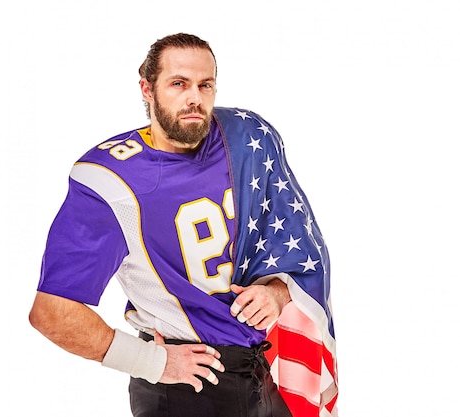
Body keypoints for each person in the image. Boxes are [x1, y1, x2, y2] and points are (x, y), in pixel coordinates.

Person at [29, 33, 338, 417]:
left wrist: (276, 292)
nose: (195, 98)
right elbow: (52, 311)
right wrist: (151, 363)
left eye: (204, 85)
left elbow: (293, 238)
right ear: (147, 88)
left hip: (257, 370)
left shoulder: (243, 139)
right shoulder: (110, 180)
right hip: (184, 386)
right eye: (178, 84)